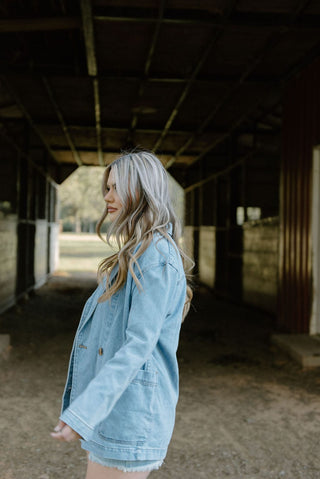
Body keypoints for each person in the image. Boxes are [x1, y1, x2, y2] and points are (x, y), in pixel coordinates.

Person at [51, 151, 193, 478]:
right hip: (116, 413)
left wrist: (84, 411)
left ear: (141, 191)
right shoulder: (138, 251)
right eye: (107, 187)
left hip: (130, 416)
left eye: (116, 187)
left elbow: (136, 348)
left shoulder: (155, 256)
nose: (107, 196)